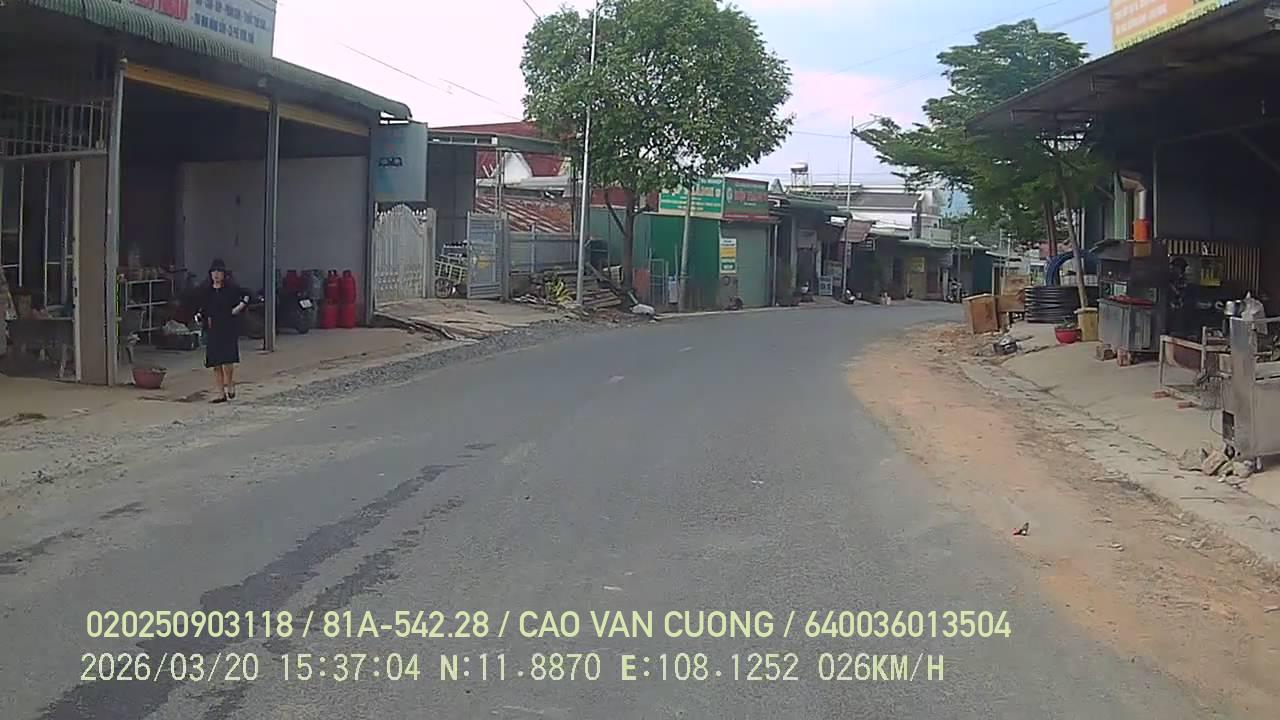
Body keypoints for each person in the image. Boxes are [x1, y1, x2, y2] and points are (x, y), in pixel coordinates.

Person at [195, 259, 249, 403]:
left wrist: (238, 308)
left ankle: (230, 383)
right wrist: (200, 316)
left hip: (228, 328)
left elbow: (247, 295)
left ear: (224, 274)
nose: (216, 275)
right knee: (215, 363)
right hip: (213, 328)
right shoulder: (207, 291)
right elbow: (203, 307)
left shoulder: (231, 289)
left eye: (219, 272)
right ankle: (220, 392)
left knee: (228, 360)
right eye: (214, 272)